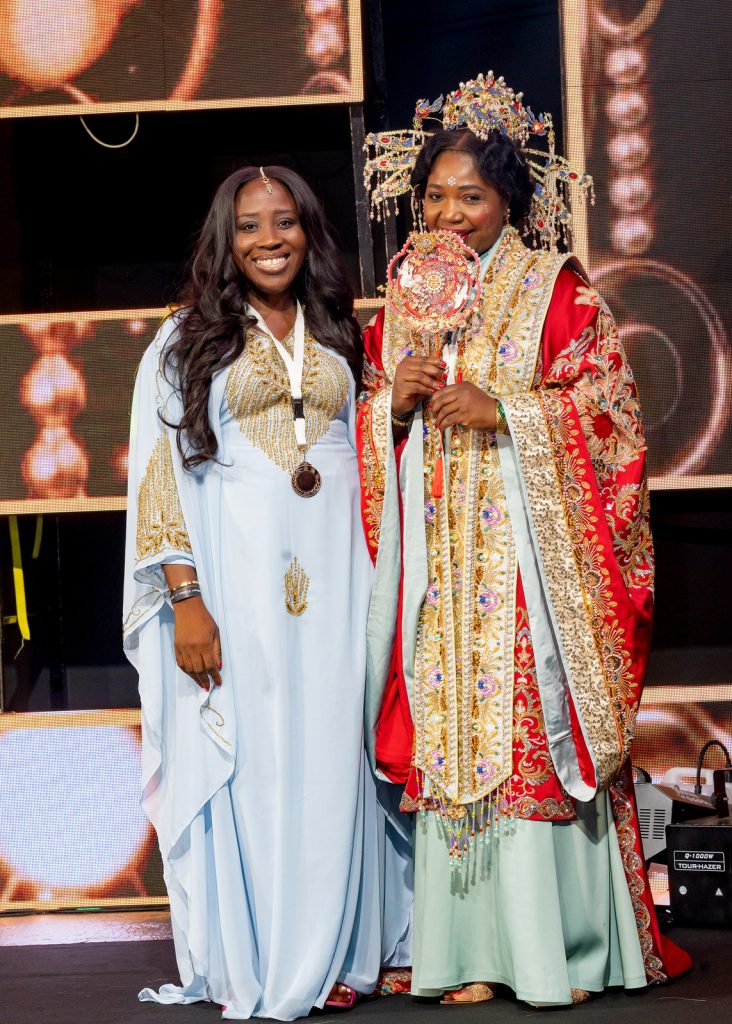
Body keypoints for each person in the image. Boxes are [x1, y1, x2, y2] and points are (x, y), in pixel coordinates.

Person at [357, 74, 690, 1007]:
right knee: (450, 739)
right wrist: (391, 408)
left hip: (528, 574)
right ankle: (467, 954)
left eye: (470, 196)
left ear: (509, 200)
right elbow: (369, 429)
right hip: (438, 568)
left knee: (529, 736)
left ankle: (559, 954)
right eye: (435, 197)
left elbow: (610, 413)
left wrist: (508, 413)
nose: (449, 215)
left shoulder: (557, 291)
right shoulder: (404, 304)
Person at [122, 165, 407, 1020]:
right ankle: (273, 959)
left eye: (285, 222)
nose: (269, 240)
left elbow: (368, 451)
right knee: (259, 758)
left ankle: (345, 953)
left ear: (308, 231)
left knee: (337, 754)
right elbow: (159, 475)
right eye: (249, 226)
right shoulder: (183, 341)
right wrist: (186, 600)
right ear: (226, 240)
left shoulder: (340, 331)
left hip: (342, 580)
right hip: (237, 584)